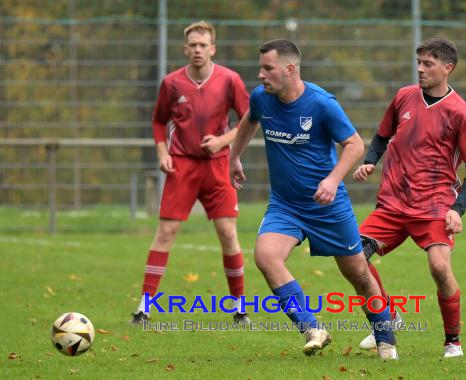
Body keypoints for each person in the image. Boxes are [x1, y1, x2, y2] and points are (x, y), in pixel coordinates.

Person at [229, 39, 397, 359]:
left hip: (327, 206)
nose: (261, 75)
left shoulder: (322, 104)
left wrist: (333, 181)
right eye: (260, 68)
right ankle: (312, 327)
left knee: (358, 273)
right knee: (266, 257)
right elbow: (249, 121)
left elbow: (354, 145)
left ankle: (385, 336)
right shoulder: (261, 98)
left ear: (290, 69)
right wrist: (234, 157)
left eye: (268, 68)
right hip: (285, 205)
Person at [353, 37, 466, 358]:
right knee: (354, 258)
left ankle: (452, 341)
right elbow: (382, 136)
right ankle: (388, 317)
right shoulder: (403, 97)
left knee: (440, 268)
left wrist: (458, 210)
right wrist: (371, 160)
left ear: (447, 68)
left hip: (435, 206)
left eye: (428, 64)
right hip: (393, 204)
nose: (420, 69)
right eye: (419, 62)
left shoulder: (462, 114)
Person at [130, 21, 251, 325]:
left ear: (213, 48)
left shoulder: (229, 80)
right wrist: (162, 153)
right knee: (166, 233)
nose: (197, 50)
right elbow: (158, 121)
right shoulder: (171, 83)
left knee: (227, 234)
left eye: (203, 45)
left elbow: (249, 119)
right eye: (192, 45)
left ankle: (239, 309)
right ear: (185, 49)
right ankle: (144, 308)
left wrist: (223, 141)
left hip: (217, 166)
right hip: (181, 166)